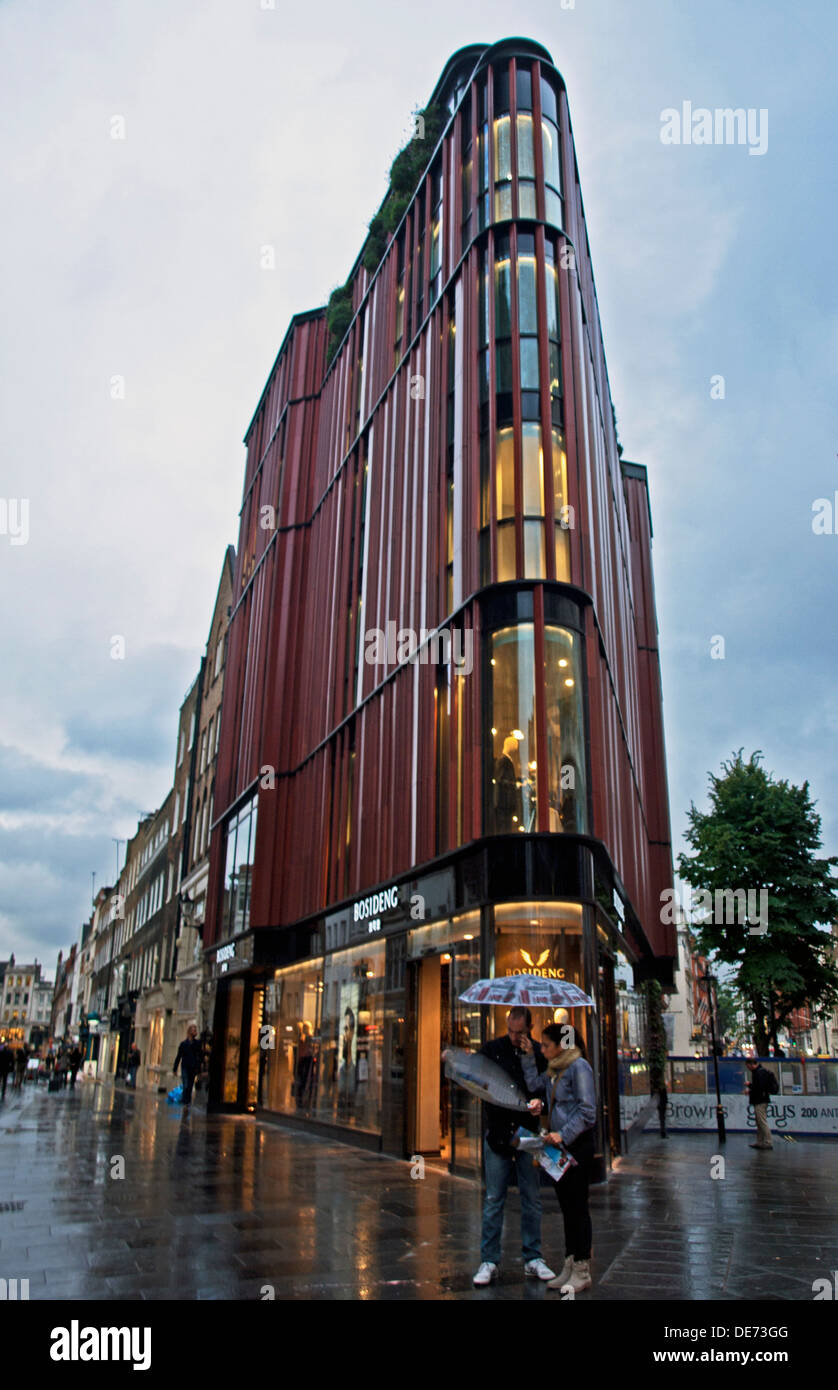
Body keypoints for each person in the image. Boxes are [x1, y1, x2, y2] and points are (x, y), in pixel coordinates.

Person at [472, 1007, 556, 1287]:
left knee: (531, 1197)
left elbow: (545, 1090)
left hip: (527, 1135)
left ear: (530, 1029)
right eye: (510, 1030)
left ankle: (533, 1257)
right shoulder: (493, 1048)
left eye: (519, 1032)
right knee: (494, 1198)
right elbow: (475, 1072)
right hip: (498, 1134)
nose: (514, 1036)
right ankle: (489, 1260)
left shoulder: (538, 1055)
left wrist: (540, 1104)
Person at [522, 1022, 597, 1294]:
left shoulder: (579, 1068)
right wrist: (530, 1056)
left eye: (546, 1045)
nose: (543, 1050)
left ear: (562, 1044)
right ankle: (569, 1262)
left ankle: (582, 1268)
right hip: (558, 1148)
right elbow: (533, 1085)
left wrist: (562, 1134)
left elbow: (588, 1110)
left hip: (575, 1146)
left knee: (578, 1207)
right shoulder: (554, 1070)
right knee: (566, 1206)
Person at [745, 1058, 775, 1149]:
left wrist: (749, 1086)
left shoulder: (759, 1073)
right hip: (762, 1099)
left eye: (748, 1066)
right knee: (759, 1121)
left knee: (761, 1121)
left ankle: (767, 1141)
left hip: (760, 1100)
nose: (748, 1068)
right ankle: (760, 1141)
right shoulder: (760, 1072)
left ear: (751, 1064)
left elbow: (759, 1088)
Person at [173, 1025, 204, 1105]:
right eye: (194, 1030)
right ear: (189, 1032)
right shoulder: (183, 1044)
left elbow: (200, 1056)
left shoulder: (197, 1044)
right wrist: (175, 1068)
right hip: (185, 1067)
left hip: (193, 1068)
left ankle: (187, 1101)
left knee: (190, 1085)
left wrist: (199, 1068)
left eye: (195, 1030)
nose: (195, 1032)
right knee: (186, 1084)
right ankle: (185, 1100)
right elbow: (179, 1056)